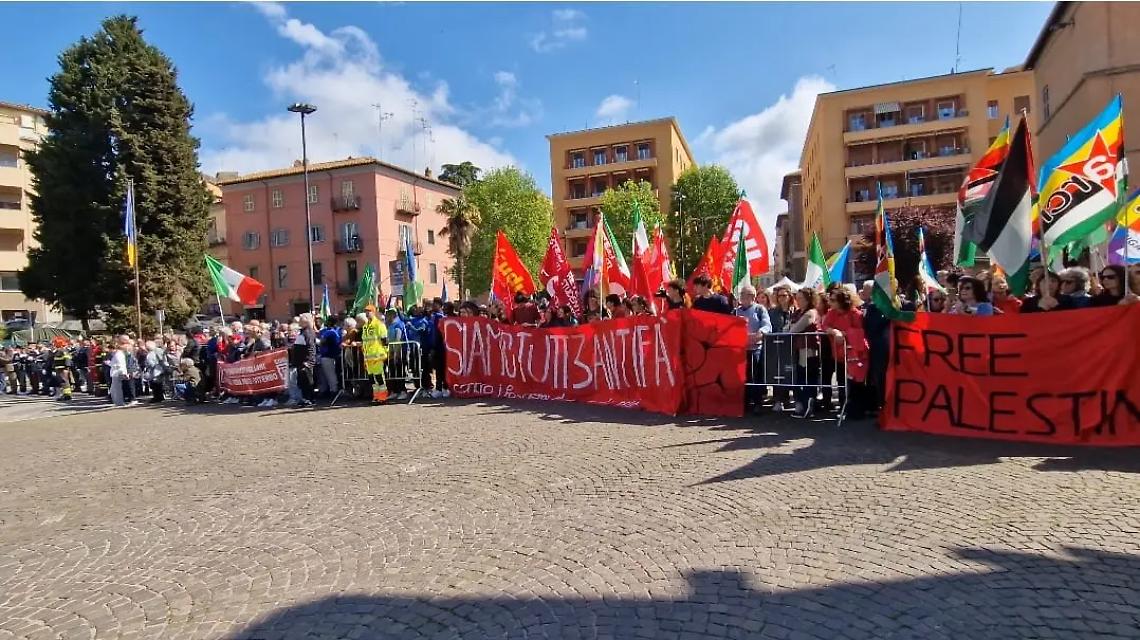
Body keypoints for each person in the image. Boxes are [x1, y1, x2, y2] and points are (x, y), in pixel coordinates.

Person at [822, 288, 870, 419]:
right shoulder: (831, 313)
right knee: (841, 380)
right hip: (838, 354)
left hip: (854, 356)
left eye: (833, 300)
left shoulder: (856, 314)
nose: (830, 302)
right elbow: (825, 326)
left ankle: (856, 410)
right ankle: (844, 407)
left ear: (842, 301)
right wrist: (834, 331)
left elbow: (859, 332)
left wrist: (843, 333)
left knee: (855, 383)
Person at [735, 284, 773, 414]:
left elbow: (767, 325)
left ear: (752, 296)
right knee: (742, 376)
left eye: (744, 294)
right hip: (739, 350)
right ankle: (744, 402)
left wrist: (759, 333)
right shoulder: (736, 311)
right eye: (741, 294)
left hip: (755, 348)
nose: (741, 297)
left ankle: (757, 402)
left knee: (755, 376)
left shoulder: (760, 309)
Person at [786, 289, 822, 419]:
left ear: (808, 299)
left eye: (801, 298)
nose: (798, 300)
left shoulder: (810, 313)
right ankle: (804, 404)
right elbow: (788, 328)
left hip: (807, 350)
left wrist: (791, 328)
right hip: (798, 349)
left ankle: (808, 405)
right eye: (797, 298)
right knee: (801, 377)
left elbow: (794, 329)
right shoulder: (798, 313)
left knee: (806, 378)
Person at [360, 304, 389, 404]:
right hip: (368, 357)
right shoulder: (365, 326)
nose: (367, 313)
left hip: (377, 356)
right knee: (372, 379)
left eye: (369, 311)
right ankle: (376, 397)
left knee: (379, 377)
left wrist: (385, 352)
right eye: (366, 311)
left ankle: (383, 398)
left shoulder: (379, 325)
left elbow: (385, 340)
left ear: (374, 312)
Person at [291, 313, 319, 407]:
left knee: (307, 381)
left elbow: (310, 348)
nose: (299, 320)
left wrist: (308, 361)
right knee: (303, 381)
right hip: (301, 361)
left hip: (306, 361)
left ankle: (309, 399)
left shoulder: (308, 332)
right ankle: (306, 398)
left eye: (301, 319)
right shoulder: (303, 332)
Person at [384, 309, 408, 401]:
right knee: (392, 372)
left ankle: (403, 391)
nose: (386, 318)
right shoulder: (390, 325)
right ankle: (395, 391)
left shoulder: (399, 325)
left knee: (400, 372)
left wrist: (396, 354)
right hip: (391, 352)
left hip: (400, 352)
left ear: (392, 316)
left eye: (387, 316)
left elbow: (398, 340)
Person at [317, 316, 342, 398]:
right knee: (330, 374)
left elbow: (322, 342)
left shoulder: (328, 332)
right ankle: (330, 390)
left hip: (328, 355)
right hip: (335, 355)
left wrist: (317, 341)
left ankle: (333, 391)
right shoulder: (338, 331)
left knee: (330, 375)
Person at [109, 336, 131, 407]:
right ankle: (117, 401)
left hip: (118, 372)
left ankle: (119, 402)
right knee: (114, 389)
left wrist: (124, 372)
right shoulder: (117, 354)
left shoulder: (119, 354)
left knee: (117, 389)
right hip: (116, 372)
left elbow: (121, 364)